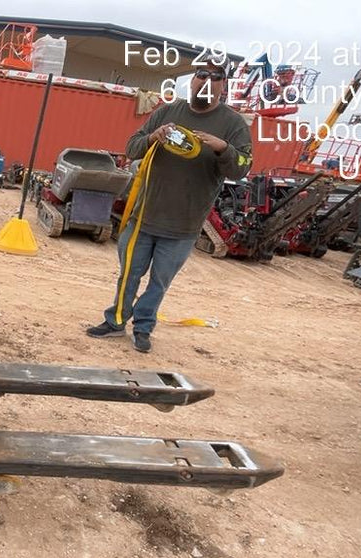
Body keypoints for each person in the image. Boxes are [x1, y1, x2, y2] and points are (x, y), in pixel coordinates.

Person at [85, 65, 253, 352]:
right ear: (193, 81)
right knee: (128, 274)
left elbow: (242, 167)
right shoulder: (166, 112)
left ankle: (143, 327)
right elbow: (131, 148)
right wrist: (153, 137)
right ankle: (115, 321)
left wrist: (223, 148)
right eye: (202, 76)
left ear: (223, 86)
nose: (207, 83)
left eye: (215, 79)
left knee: (159, 282)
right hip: (144, 216)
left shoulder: (233, 124)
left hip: (183, 225)